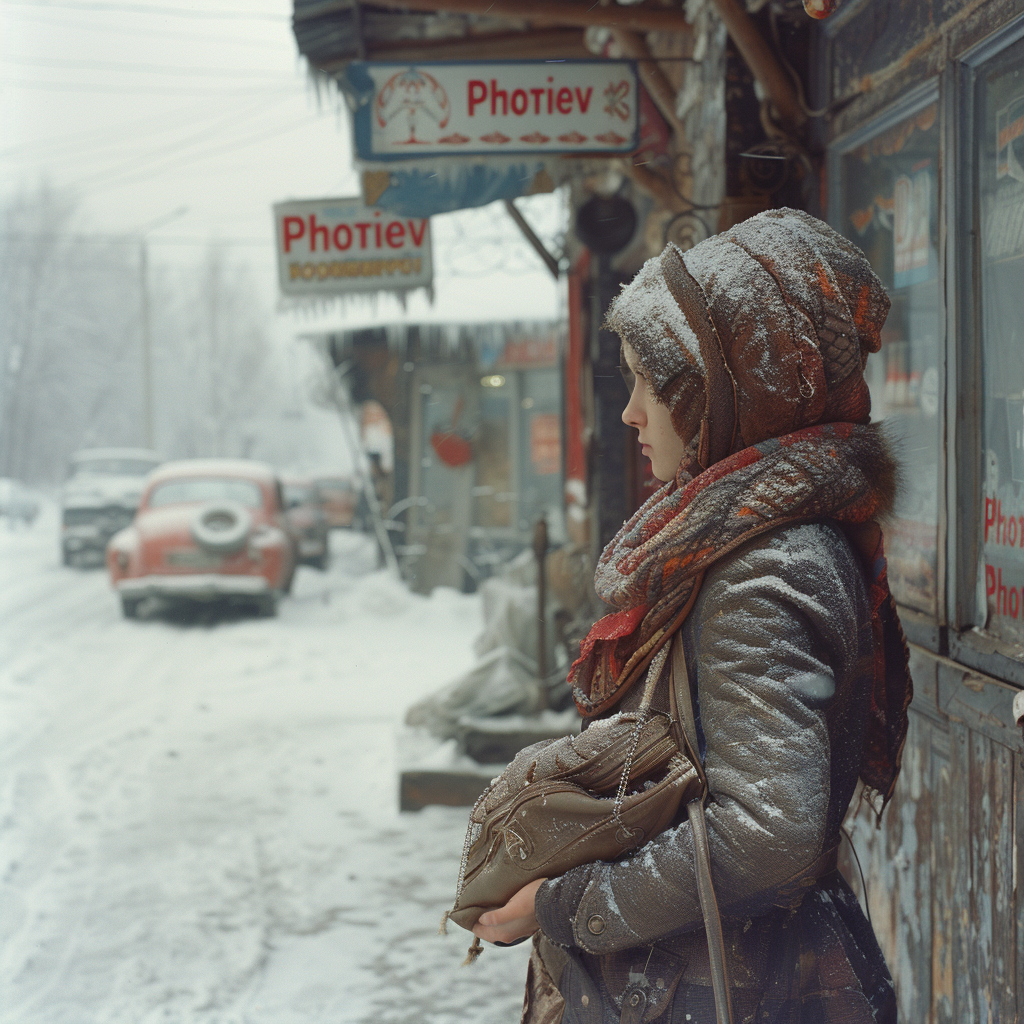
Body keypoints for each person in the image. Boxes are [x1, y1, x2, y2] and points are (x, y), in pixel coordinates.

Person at [471, 208, 912, 1023]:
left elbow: (767, 835)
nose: (633, 412)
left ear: (724, 393)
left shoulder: (762, 570)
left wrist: (563, 904)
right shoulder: (754, 535)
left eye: (652, 382)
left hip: (725, 986)